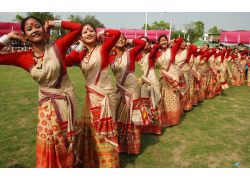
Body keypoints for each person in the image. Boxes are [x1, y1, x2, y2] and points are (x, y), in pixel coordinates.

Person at [0, 16, 82, 168]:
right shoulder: (22, 57)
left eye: (37, 26)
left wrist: (53, 23)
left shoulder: (58, 47)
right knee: (50, 141)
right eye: (29, 29)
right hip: (47, 107)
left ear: (44, 30)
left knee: (67, 140)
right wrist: (9, 37)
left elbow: (78, 28)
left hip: (66, 102)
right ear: (25, 35)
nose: (34, 30)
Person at [66, 23, 121, 167]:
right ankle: (93, 161)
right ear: (81, 37)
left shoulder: (102, 48)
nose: (89, 33)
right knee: (92, 128)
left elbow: (116, 34)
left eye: (91, 30)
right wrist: (79, 46)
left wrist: (102, 33)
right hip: (91, 95)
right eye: (85, 32)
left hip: (106, 95)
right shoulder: (81, 55)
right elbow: (66, 61)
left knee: (105, 129)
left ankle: (109, 165)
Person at [109, 34, 147, 154]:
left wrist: (130, 39)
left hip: (132, 88)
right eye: (118, 38)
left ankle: (132, 146)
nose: (120, 39)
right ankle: (121, 143)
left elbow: (142, 44)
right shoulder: (111, 57)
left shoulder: (130, 53)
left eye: (123, 38)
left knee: (132, 114)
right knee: (119, 112)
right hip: (119, 87)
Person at [154, 36, 183, 127]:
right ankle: (164, 117)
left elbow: (181, 40)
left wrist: (171, 41)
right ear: (158, 42)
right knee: (163, 97)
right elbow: (155, 64)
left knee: (173, 96)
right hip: (163, 76)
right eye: (161, 41)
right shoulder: (157, 53)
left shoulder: (172, 49)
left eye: (165, 40)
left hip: (172, 75)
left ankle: (173, 119)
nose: (163, 42)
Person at [136, 36, 162, 135]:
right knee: (144, 102)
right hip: (143, 80)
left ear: (148, 44)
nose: (143, 44)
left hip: (151, 79)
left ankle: (155, 128)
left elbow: (156, 47)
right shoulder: (138, 55)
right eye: (141, 42)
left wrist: (157, 44)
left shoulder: (150, 54)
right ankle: (145, 125)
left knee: (154, 100)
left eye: (145, 42)